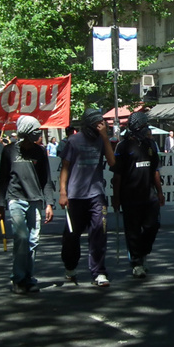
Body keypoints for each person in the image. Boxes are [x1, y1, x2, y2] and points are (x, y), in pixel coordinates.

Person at [0, 115, 54, 294]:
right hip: (16, 199)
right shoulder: (9, 151)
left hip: (35, 199)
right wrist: (0, 205)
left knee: (33, 240)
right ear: (24, 135)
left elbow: (46, 180)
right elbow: (3, 179)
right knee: (21, 238)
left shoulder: (40, 152)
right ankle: (18, 278)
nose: (34, 139)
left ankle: (29, 277)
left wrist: (49, 204)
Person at [59, 109, 117, 287]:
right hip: (76, 195)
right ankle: (70, 267)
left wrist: (105, 138)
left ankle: (99, 272)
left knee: (100, 232)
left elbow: (113, 163)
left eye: (102, 123)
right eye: (97, 123)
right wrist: (63, 192)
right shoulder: (73, 140)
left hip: (96, 194)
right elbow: (65, 167)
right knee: (71, 235)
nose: (100, 126)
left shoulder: (102, 140)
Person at [111, 112, 163, 278]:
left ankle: (143, 252)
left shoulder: (150, 145)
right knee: (132, 231)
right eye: (144, 125)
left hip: (149, 195)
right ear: (136, 127)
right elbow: (117, 175)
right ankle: (137, 262)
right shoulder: (123, 146)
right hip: (130, 196)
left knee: (152, 226)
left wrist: (160, 192)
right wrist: (117, 198)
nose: (147, 129)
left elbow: (155, 170)